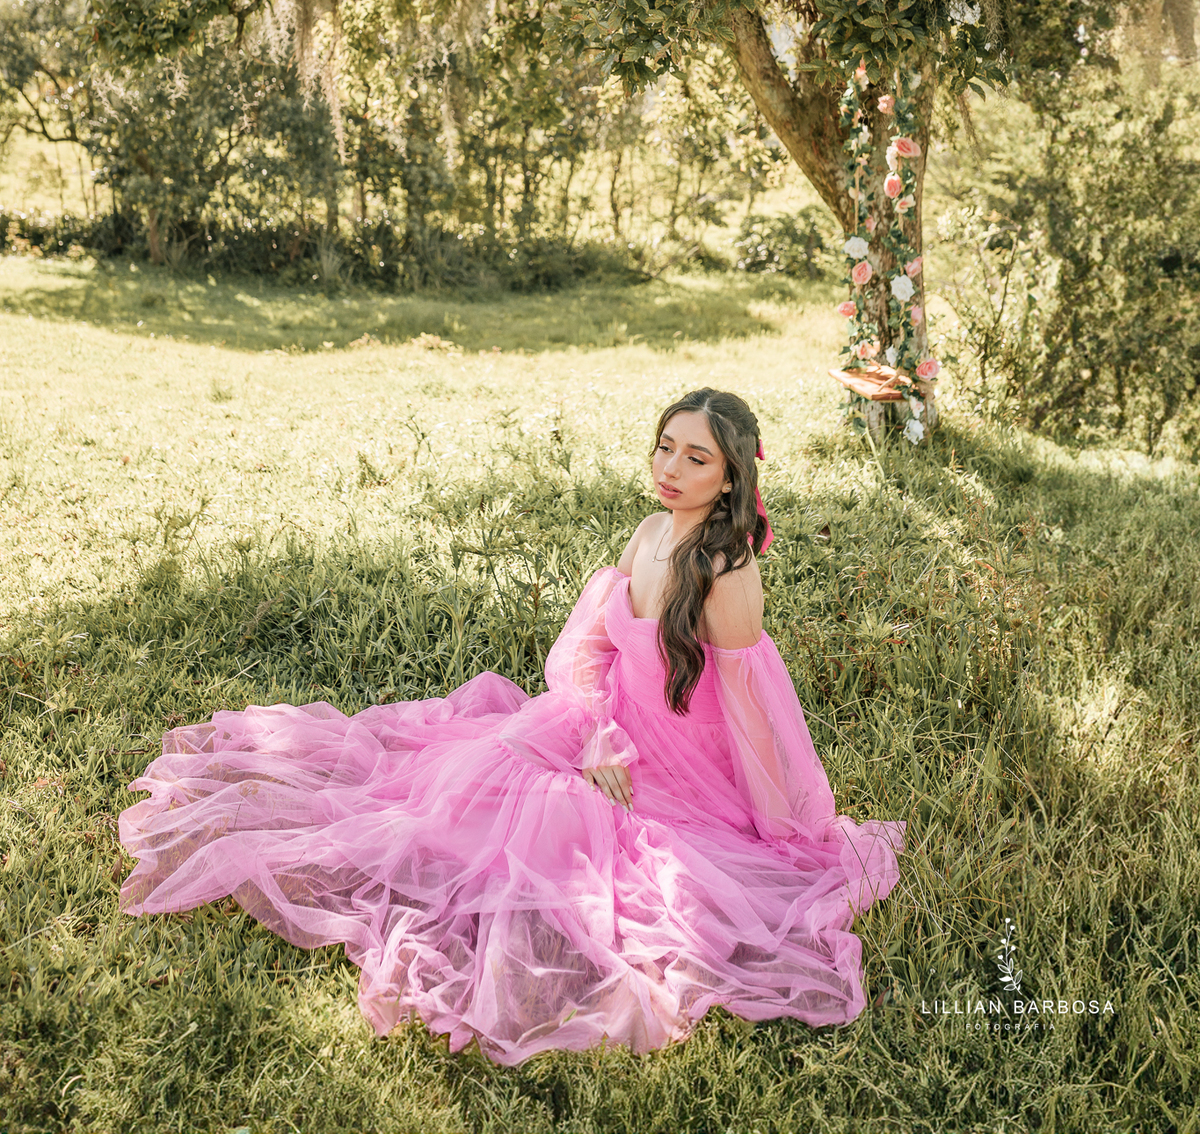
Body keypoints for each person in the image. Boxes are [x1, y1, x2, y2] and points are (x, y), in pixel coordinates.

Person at [118, 387, 905, 1066]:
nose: (670, 470)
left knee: (570, 831)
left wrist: (786, 826)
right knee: (477, 769)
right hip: (611, 720)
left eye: (696, 459)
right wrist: (597, 730)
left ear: (733, 473)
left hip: (686, 762)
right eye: (664, 447)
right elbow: (595, 645)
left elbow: (752, 709)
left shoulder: (728, 573)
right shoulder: (650, 529)